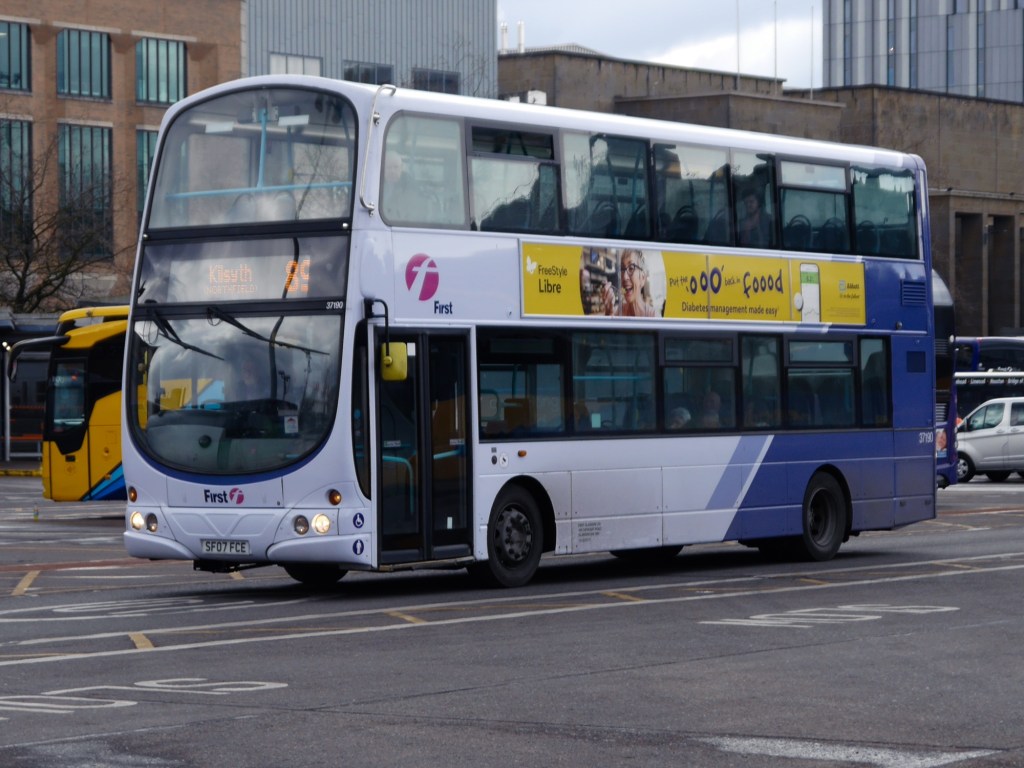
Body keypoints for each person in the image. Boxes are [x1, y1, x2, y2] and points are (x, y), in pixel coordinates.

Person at [603, 249, 657, 317]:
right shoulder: (617, 312)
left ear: (642, 278)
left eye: (631, 268)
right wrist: (608, 314)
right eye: (622, 269)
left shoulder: (653, 316)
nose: (624, 277)